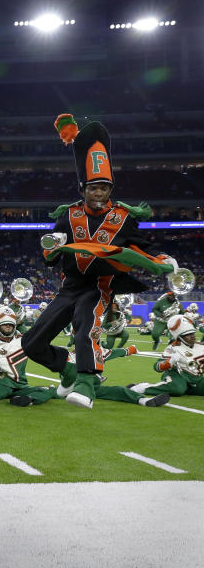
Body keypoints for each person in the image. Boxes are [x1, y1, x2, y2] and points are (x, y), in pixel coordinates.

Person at [21, 115, 179, 409]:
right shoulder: (67, 215)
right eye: (93, 188)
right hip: (70, 285)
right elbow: (52, 253)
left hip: (100, 286)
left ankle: (85, 383)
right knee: (31, 343)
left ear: (110, 190)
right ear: (82, 189)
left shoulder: (123, 216)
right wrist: (51, 250)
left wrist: (161, 260)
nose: (99, 193)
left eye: (104, 188)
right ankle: (67, 371)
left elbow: (138, 248)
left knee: (85, 323)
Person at [0, 307, 58, 407]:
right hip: (2, 384)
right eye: (4, 325)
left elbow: (42, 336)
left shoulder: (24, 340)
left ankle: (27, 399)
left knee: (49, 391)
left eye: (10, 324)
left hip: (21, 385)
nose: (8, 327)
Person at [129, 315, 204, 399]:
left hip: (196, 378)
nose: (193, 336)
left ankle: (186, 388)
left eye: (193, 333)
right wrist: (169, 362)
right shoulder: (172, 348)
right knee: (177, 389)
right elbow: (157, 367)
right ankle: (143, 387)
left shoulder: (201, 346)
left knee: (183, 388)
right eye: (187, 334)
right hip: (177, 375)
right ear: (179, 337)